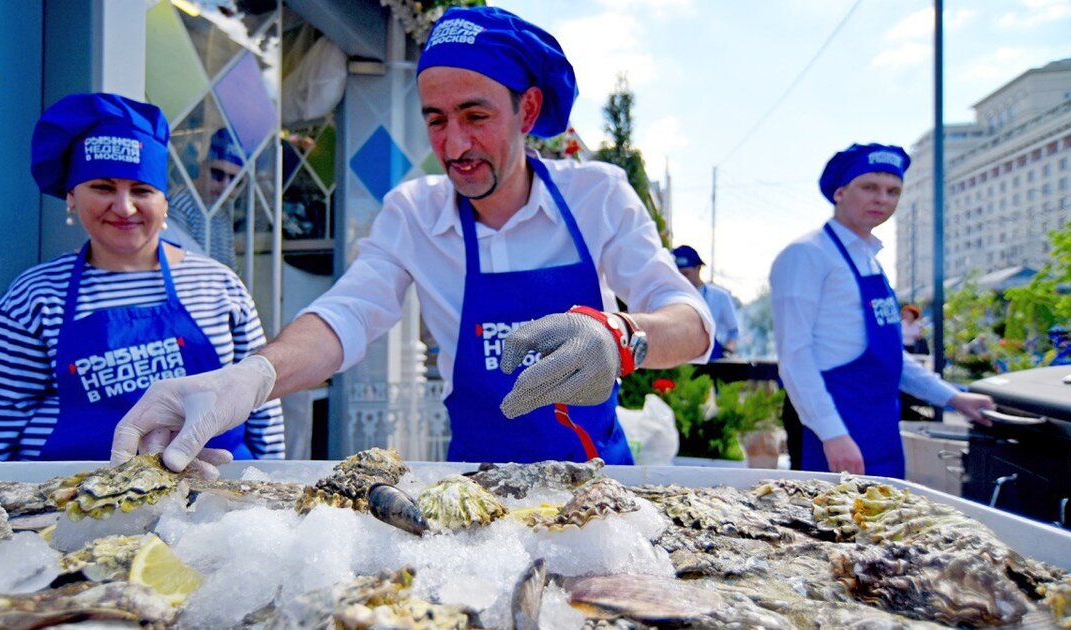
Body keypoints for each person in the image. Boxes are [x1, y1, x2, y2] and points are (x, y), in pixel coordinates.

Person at [111, 6, 714, 471]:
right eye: (435, 119)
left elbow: (692, 322)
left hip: (599, 483)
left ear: (527, 111)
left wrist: (621, 337)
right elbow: (349, 313)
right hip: (478, 489)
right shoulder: (414, 211)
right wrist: (251, 378)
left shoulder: (598, 196)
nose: (453, 147)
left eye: (476, 116)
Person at [0, 93, 284, 462]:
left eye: (141, 190)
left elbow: (262, 411)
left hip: (211, 507)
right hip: (72, 506)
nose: (124, 207)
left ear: (164, 200)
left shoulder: (219, 287)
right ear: (71, 197)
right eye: (103, 187)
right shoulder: (35, 296)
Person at [770, 143, 995, 477]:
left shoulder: (870, 259)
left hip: (880, 427)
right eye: (869, 187)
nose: (882, 199)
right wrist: (832, 434)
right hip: (834, 427)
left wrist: (954, 399)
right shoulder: (807, 255)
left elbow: (891, 357)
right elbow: (795, 358)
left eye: (893, 191)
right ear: (840, 192)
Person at [166, 128, 243, 270]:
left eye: (234, 180)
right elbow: (178, 263)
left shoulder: (221, 216)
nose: (225, 186)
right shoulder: (180, 204)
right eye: (217, 174)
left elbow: (231, 268)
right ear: (203, 167)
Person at [672, 245, 739, 359]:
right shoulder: (671, 298)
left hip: (714, 360)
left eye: (686, 274)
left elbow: (733, 331)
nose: (682, 279)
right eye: (678, 274)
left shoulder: (720, 296)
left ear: (698, 268)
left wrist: (726, 354)